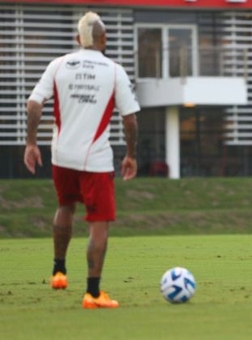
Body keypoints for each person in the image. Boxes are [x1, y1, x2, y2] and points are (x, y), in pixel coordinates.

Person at [23, 11, 140, 308]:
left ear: (78, 40)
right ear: (104, 39)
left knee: (65, 206)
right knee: (98, 223)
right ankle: (93, 292)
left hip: (61, 154)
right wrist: (130, 154)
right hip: (95, 159)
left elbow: (34, 104)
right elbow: (130, 120)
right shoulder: (114, 71)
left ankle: (59, 271)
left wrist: (31, 143)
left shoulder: (58, 65)